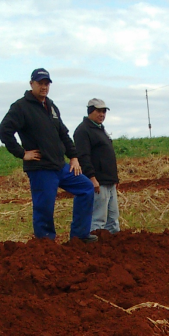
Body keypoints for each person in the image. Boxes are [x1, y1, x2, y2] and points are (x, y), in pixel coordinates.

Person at [0, 68, 97, 243]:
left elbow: (63, 134)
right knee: (44, 207)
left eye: (46, 84)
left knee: (86, 188)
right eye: (40, 83)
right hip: (41, 167)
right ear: (31, 84)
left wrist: (73, 157)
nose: (44, 87)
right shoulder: (21, 107)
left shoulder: (51, 106)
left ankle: (79, 236)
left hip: (60, 165)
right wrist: (22, 153)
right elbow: (4, 131)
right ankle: (46, 245)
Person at [74, 98, 120, 234]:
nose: (102, 114)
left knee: (113, 220)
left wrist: (114, 178)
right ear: (90, 111)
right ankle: (96, 244)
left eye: (104, 111)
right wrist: (92, 178)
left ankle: (113, 243)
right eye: (98, 111)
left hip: (109, 181)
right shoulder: (83, 130)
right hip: (98, 182)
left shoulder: (100, 129)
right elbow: (83, 157)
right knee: (98, 219)